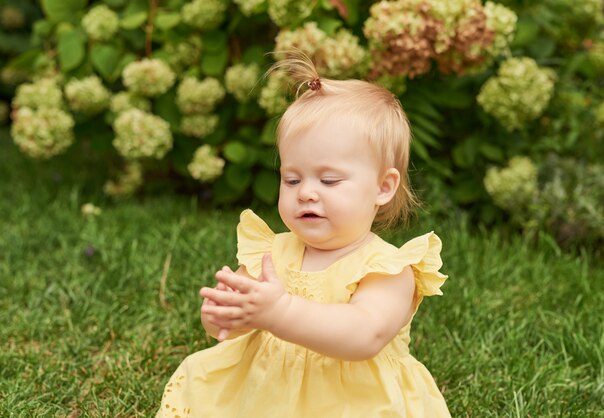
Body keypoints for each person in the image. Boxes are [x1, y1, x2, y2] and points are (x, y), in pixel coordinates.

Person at [156, 54, 450, 417]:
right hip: (268, 394)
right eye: (292, 179)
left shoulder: (387, 269)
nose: (306, 192)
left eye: (329, 180)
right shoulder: (273, 252)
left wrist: (280, 311)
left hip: (353, 402)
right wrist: (224, 315)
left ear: (383, 187)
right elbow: (241, 315)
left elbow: (364, 335)